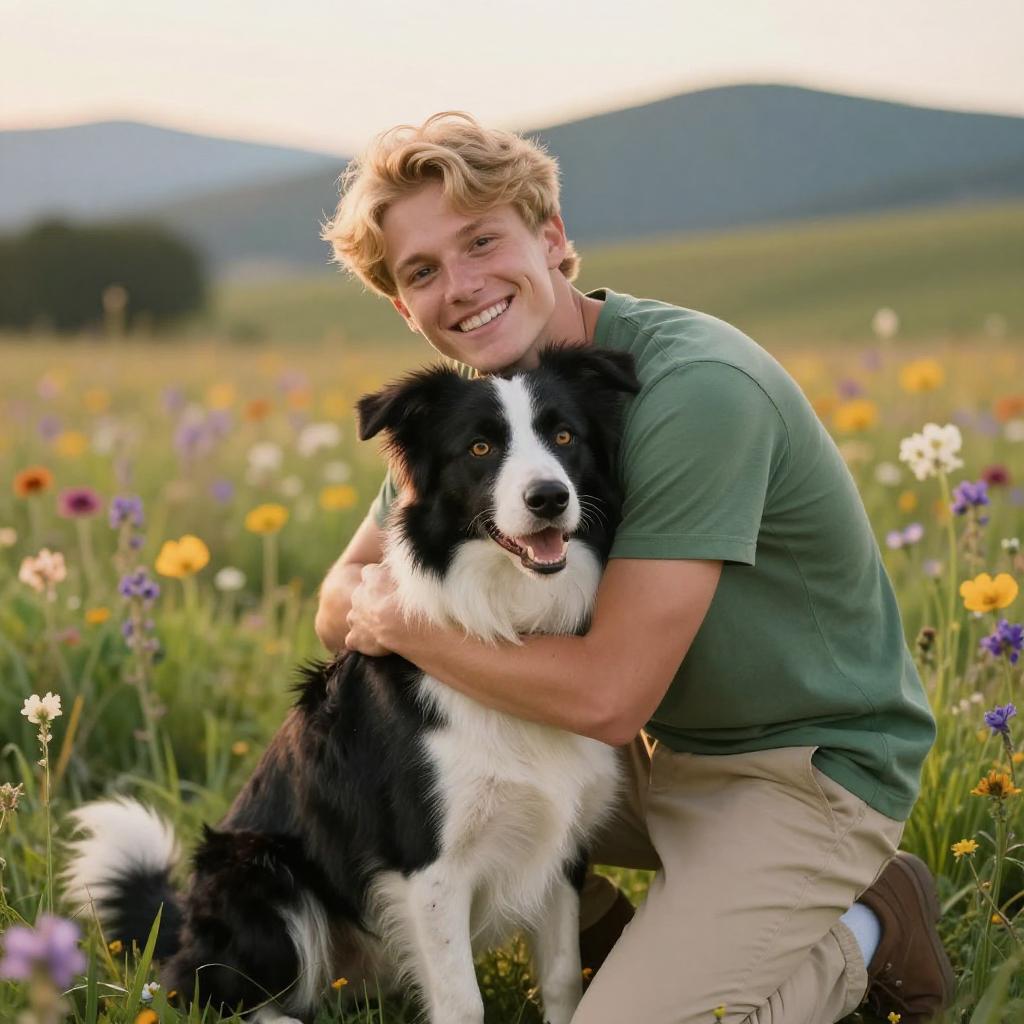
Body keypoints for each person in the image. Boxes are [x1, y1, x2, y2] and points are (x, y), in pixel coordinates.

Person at [314, 112, 953, 1024]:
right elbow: (339, 599)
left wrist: (408, 626)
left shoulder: (694, 391)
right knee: (368, 750)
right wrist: (377, 612)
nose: (461, 286)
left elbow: (607, 695)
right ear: (402, 307)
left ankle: (871, 928)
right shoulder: (484, 418)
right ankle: (627, 933)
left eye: (482, 241)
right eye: (422, 272)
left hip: (798, 771)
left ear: (553, 238)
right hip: (644, 754)